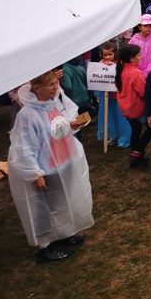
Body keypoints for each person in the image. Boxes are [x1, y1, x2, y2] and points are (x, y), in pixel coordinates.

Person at [7, 69, 94, 263]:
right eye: (51, 85)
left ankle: (64, 232)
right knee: (43, 207)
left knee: (63, 199)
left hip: (62, 161)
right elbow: (24, 146)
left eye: (56, 83)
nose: (56, 87)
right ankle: (45, 246)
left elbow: (58, 126)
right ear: (36, 88)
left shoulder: (54, 102)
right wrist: (34, 173)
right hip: (45, 167)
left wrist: (72, 124)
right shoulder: (28, 115)